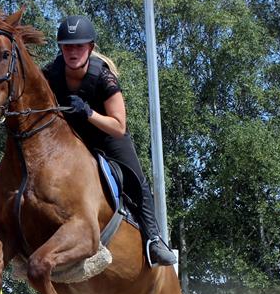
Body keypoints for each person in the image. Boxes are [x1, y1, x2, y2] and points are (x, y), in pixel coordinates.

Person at [42, 15, 178, 267]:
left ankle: (154, 240)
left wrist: (89, 112)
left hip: (107, 136)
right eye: (67, 46)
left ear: (90, 47)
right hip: (72, 137)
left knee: (136, 179)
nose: (72, 51)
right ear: (60, 48)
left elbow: (119, 126)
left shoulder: (104, 79)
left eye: (79, 46)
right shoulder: (51, 73)